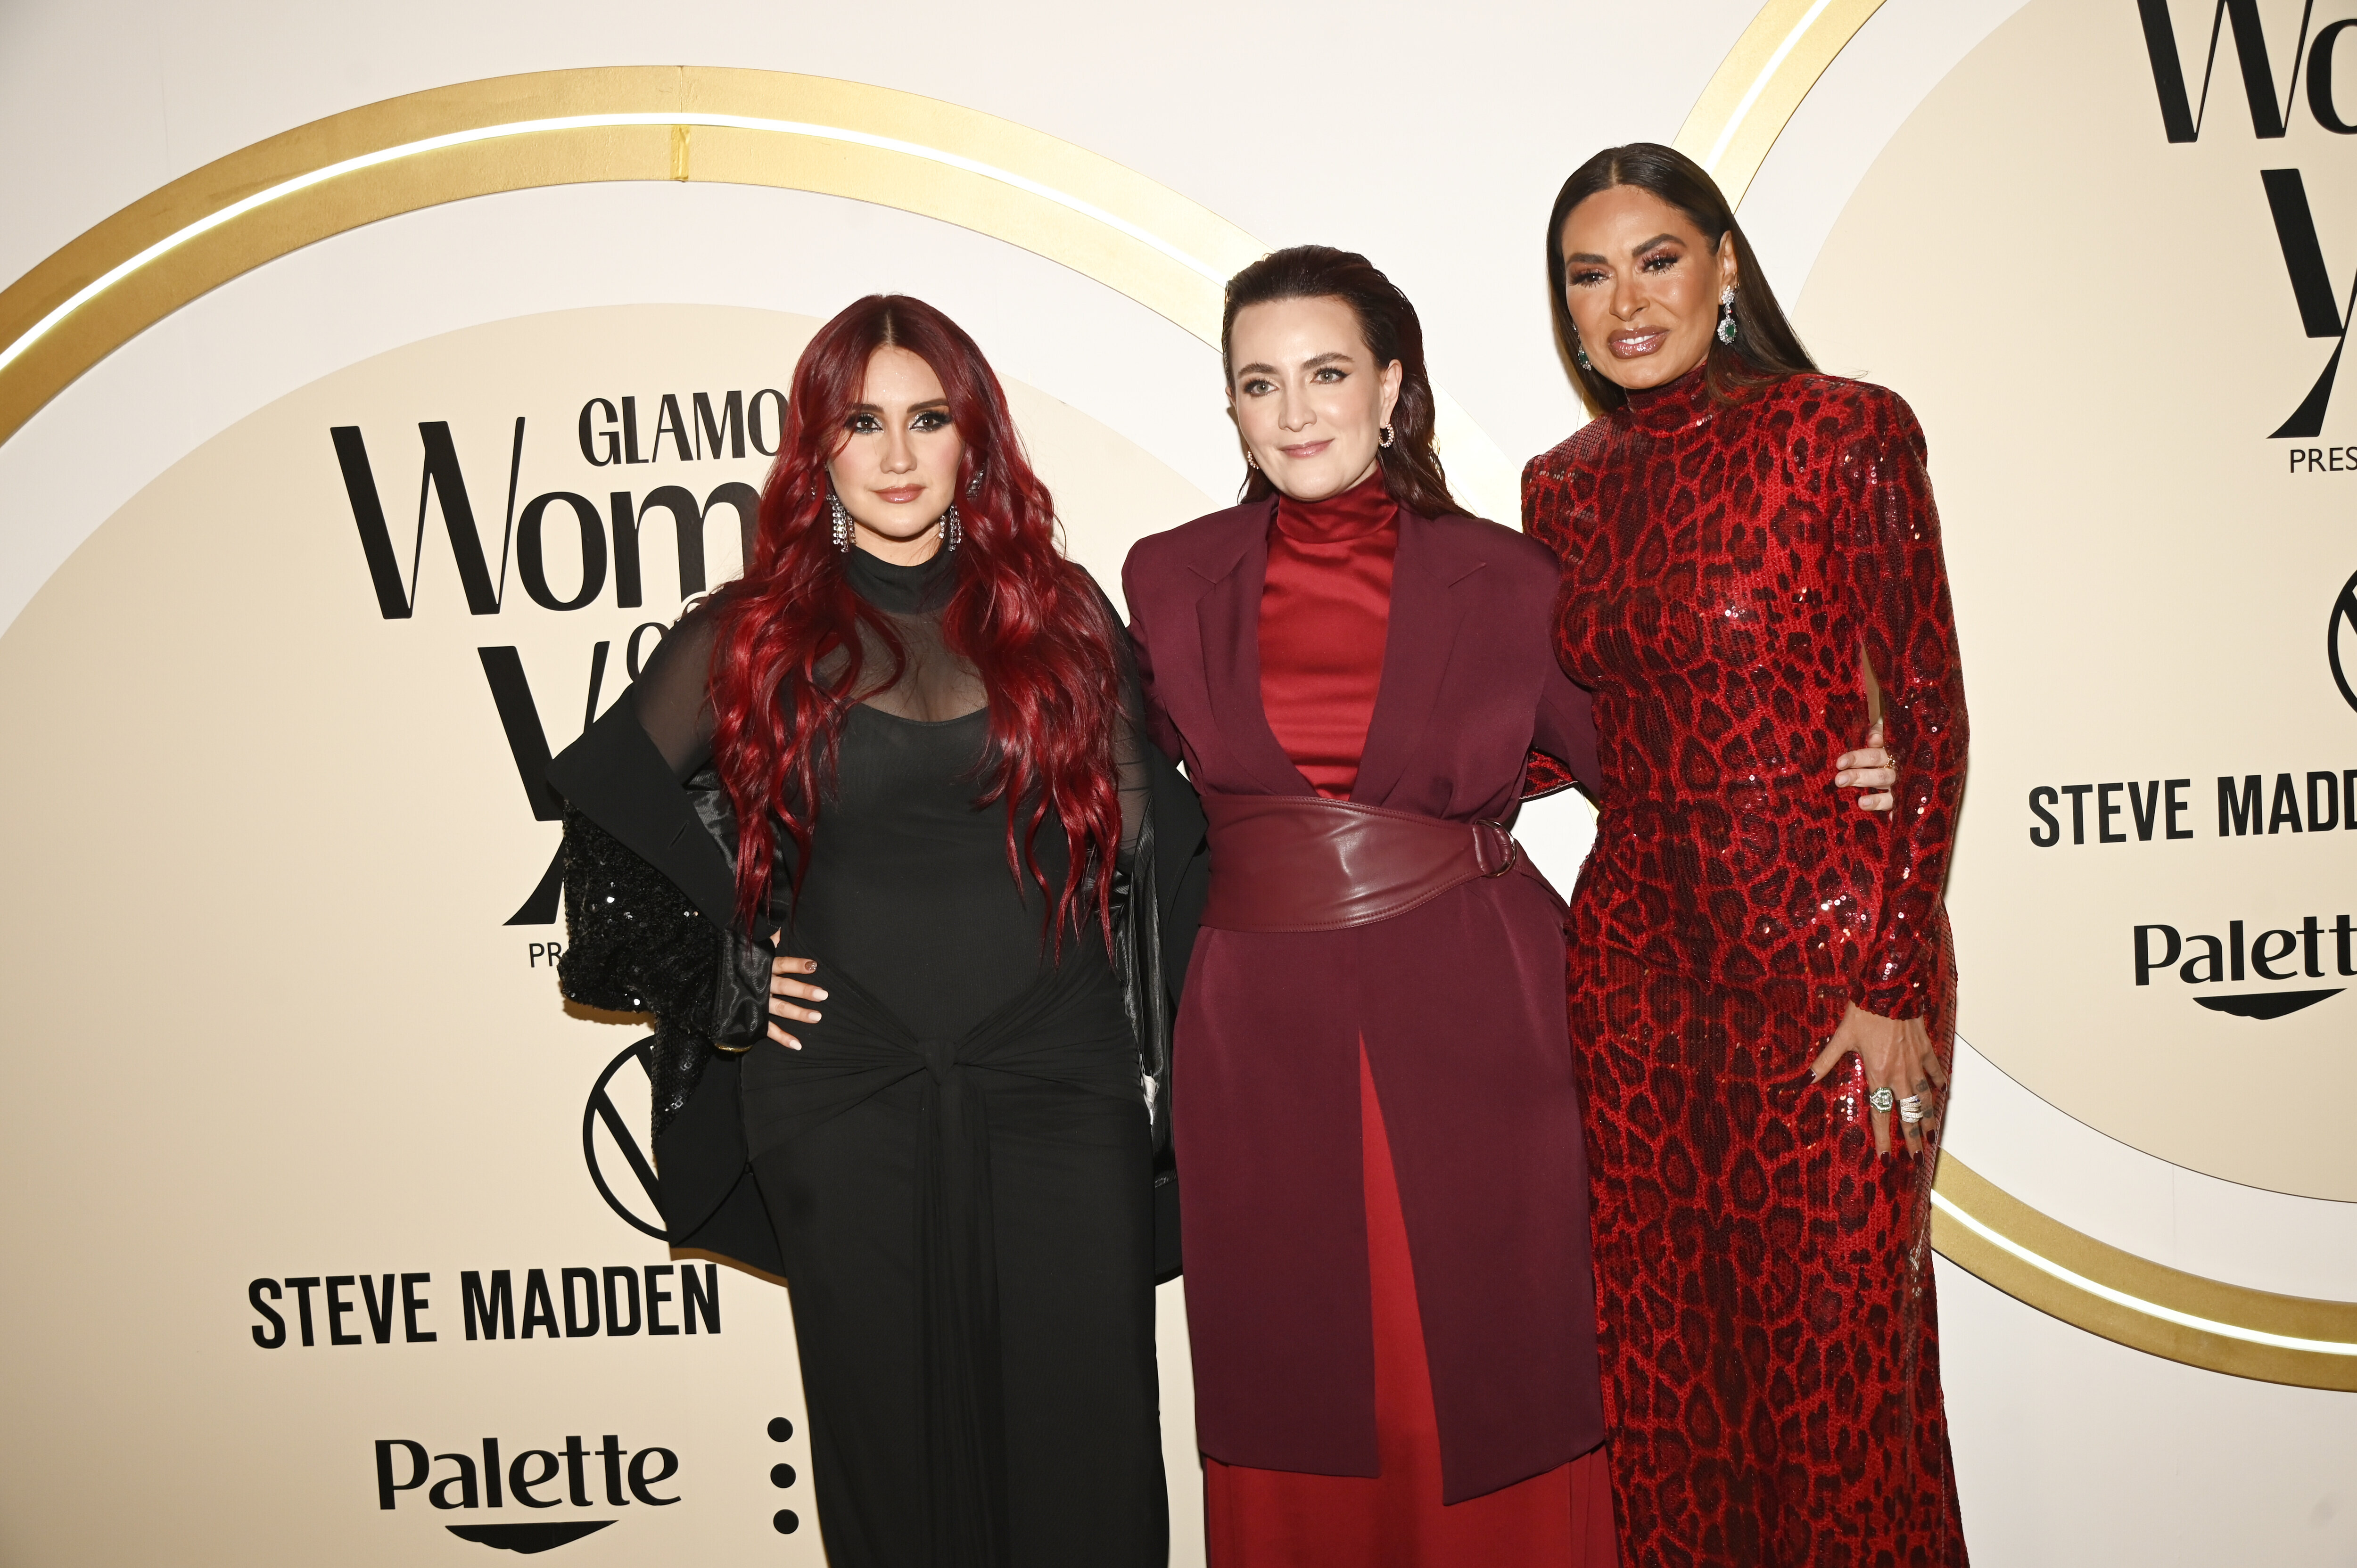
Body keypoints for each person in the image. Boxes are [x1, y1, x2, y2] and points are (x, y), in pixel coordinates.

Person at [1121, 246, 1895, 1568]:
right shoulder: (1165, 578)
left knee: (1494, 1377)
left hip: (1483, 1020)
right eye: (1261, 384)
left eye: (1327, 374)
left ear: (1393, 387)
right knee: (1295, 1387)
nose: (1298, 412)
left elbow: (1656, 769)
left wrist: (1834, 760)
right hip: (1260, 1035)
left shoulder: (1511, 578)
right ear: (1234, 409)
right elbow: (1107, 802)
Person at [545, 294, 1205, 1568]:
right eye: (862, 422)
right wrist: (728, 956)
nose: (897, 456)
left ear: (974, 443)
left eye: (927, 418)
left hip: (1059, 1083)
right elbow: (610, 809)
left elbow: (1155, 853)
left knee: (1092, 1453)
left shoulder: (1064, 617)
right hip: (844, 1088)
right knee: (888, 1461)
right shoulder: (751, 638)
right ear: (819, 449)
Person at [1524, 143, 1969, 1567]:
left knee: (1847, 1387)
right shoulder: (1564, 486)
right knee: (1672, 1381)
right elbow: (1557, 737)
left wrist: (1893, 976)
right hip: (1642, 976)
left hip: (1839, 962)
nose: (1624, 302)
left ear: (1723, 265)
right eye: (1587, 276)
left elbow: (1936, 708)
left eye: (1656, 259)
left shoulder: (1846, 432)